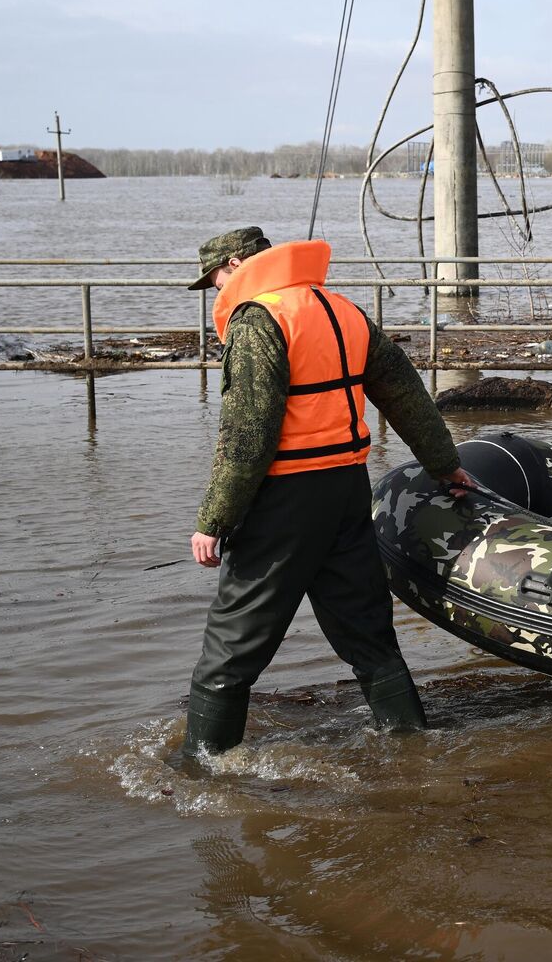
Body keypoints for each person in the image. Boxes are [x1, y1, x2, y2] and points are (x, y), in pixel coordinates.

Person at [181, 226, 475, 758]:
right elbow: (403, 392)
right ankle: (412, 747)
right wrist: (445, 465)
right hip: (345, 491)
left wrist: (214, 520)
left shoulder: (257, 320)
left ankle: (199, 764)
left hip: (283, 501)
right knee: (367, 632)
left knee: (232, 641)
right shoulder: (342, 309)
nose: (218, 292)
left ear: (235, 263)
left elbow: (249, 432)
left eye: (217, 279)